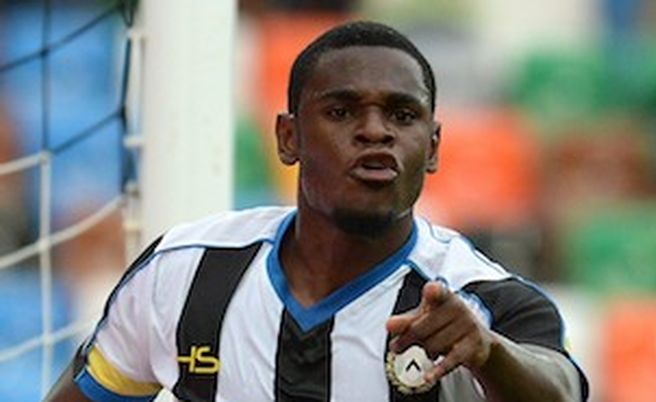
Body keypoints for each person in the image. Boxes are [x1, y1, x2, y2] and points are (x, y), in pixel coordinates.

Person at [45, 21, 588, 402]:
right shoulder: (185, 273)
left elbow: (563, 389)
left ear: (433, 147)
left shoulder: (481, 300)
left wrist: (489, 353)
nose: (375, 131)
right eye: (342, 111)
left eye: (402, 115)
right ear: (289, 138)